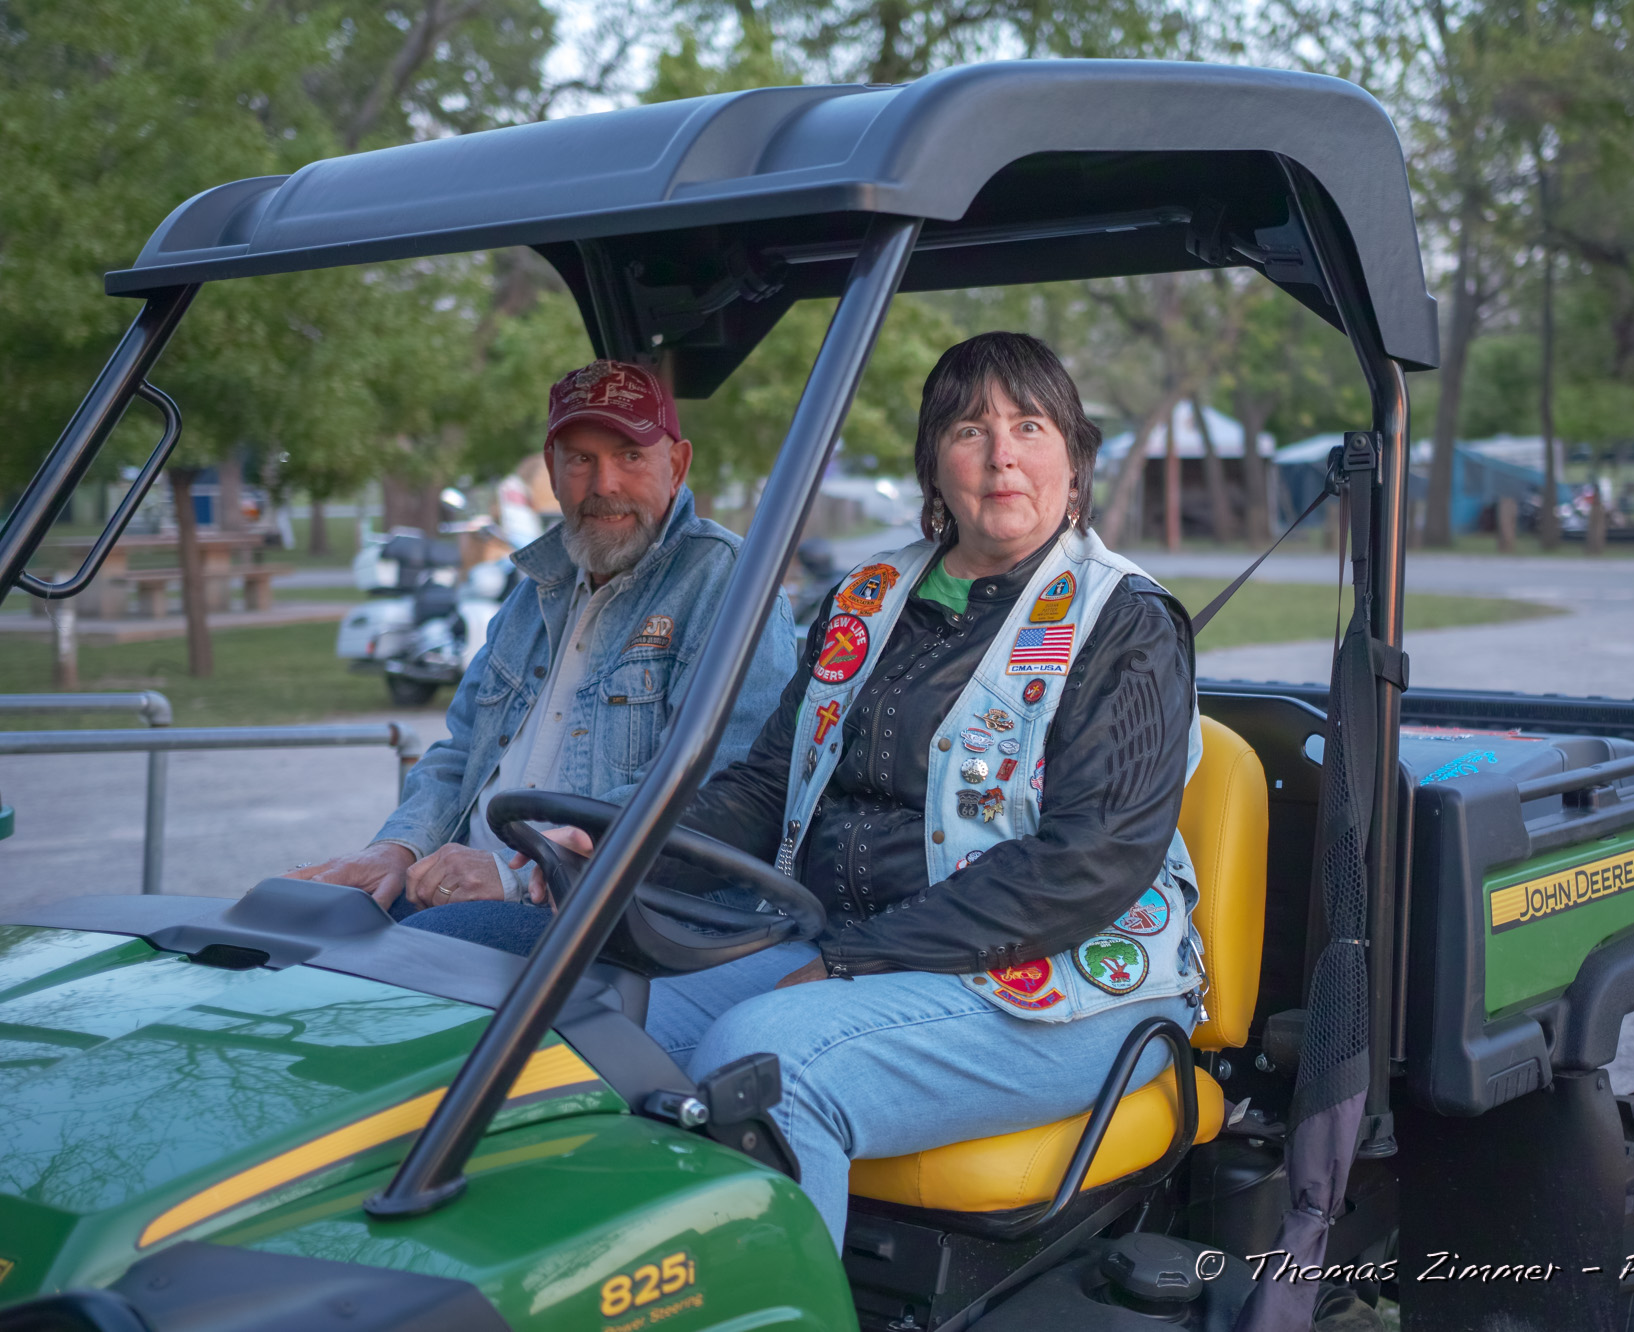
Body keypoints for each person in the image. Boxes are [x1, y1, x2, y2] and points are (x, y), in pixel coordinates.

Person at [410, 332, 1204, 1246]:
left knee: (768, 1061)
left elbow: (1089, 861)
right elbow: (764, 785)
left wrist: (852, 961)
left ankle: (777, 1300)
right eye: (969, 430)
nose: (1001, 456)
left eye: (1029, 426)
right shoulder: (869, 597)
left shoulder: (1126, 622)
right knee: (584, 1030)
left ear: (1074, 454)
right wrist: (620, 848)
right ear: (934, 461)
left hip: (1066, 980)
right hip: (845, 944)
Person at [290, 360, 796, 927]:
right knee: (296, 916)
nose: (604, 485)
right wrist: (396, 849)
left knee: (406, 949)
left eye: (630, 456)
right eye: (581, 459)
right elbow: (462, 755)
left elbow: (724, 794)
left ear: (676, 466)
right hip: (466, 885)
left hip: (611, 916)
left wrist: (516, 874)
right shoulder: (533, 592)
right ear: (552, 473)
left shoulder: (730, 583)